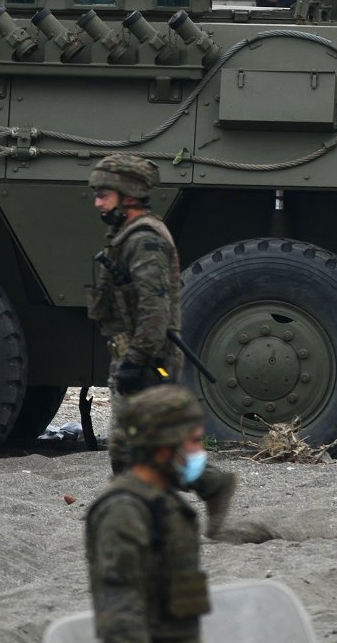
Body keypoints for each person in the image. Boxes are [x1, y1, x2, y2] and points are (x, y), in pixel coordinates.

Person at [85, 155, 236, 530]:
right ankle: (205, 487)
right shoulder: (129, 237)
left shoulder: (144, 241)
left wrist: (137, 360)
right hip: (140, 354)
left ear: (129, 195)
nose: (98, 203)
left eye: (104, 194)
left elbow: (155, 309)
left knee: (132, 446)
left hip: (149, 358)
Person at [84, 384, 215, 643]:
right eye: (193, 441)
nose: (200, 452)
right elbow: (121, 620)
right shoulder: (124, 512)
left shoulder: (163, 501)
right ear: (164, 447)